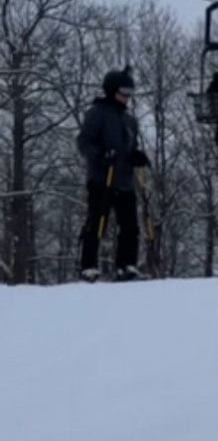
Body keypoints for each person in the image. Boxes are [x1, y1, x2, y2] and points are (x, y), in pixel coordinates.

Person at [77, 67, 150, 282]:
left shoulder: (129, 120)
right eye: (123, 92)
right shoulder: (97, 113)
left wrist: (136, 156)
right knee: (98, 220)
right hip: (102, 178)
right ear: (111, 91)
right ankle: (88, 266)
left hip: (124, 179)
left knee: (130, 225)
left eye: (130, 93)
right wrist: (100, 155)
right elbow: (84, 142)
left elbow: (130, 146)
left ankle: (126, 265)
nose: (127, 97)